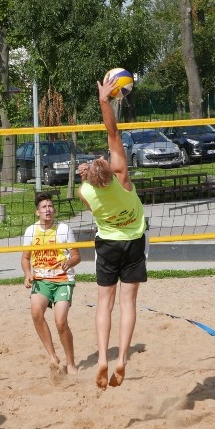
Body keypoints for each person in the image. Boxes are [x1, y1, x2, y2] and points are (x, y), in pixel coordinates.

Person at [76, 74, 147, 390]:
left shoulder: (86, 193)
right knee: (128, 304)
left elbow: (91, 182)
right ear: (110, 168)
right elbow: (113, 130)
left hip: (107, 244)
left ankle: (104, 357)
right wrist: (106, 100)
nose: (100, 156)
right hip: (132, 241)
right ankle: (123, 360)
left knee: (104, 303)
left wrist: (86, 177)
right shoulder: (121, 175)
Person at [20, 192, 82, 375]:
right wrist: (27, 273)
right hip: (42, 280)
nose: (48, 209)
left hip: (63, 280)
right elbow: (25, 258)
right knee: (36, 312)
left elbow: (77, 256)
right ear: (37, 212)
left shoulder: (63, 229)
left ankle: (70, 363)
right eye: (44, 207)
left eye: (50, 206)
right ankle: (52, 356)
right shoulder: (31, 231)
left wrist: (69, 262)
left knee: (60, 322)